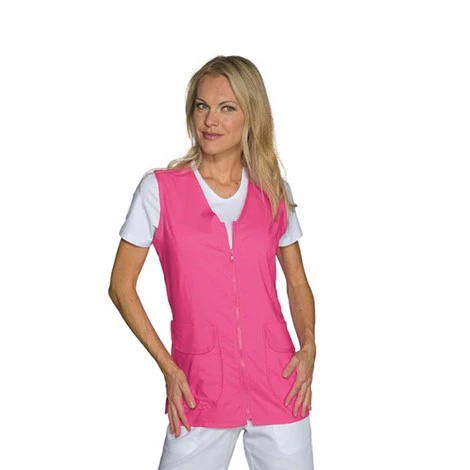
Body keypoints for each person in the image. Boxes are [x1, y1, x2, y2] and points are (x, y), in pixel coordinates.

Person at [108, 55, 317, 470]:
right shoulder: (159, 190)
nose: (210, 120)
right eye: (202, 106)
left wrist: (309, 347)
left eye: (227, 108)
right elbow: (120, 286)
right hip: (198, 385)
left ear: (251, 115)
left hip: (278, 382)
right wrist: (169, 368)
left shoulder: (273, 190)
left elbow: (296, 281)